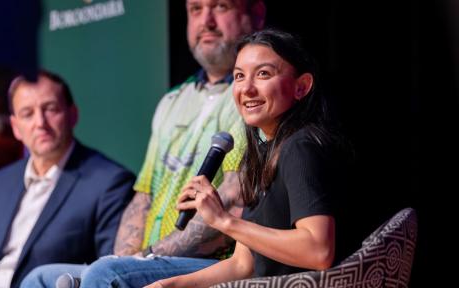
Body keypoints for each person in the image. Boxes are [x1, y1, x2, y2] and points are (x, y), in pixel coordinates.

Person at [20, 0, 266, 287]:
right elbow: (143, 197)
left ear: (256, 14)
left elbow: (234, 199)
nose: (206, 21)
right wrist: (125, 258)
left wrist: (146, 256)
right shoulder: (172, 101)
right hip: (149, 259)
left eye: (220, 7)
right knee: (40, 279)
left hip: (207, 264)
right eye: (196, 10)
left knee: (106, 275)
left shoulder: (251, 100)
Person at [145, 29, 354, 287]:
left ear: (301, 87)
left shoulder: (302, 147)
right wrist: (171, 285)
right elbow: (244, 265)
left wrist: (223, 220)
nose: (247, 88)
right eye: (239, 76)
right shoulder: (260, 156)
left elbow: (318, 251)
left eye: (263, 74)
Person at [0, 70, 136, 288]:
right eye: (27, 113)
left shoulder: (110, 182)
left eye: (50, 109)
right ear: (16, 127)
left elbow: (105, 273)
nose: (40, 122)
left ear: (73, 114)